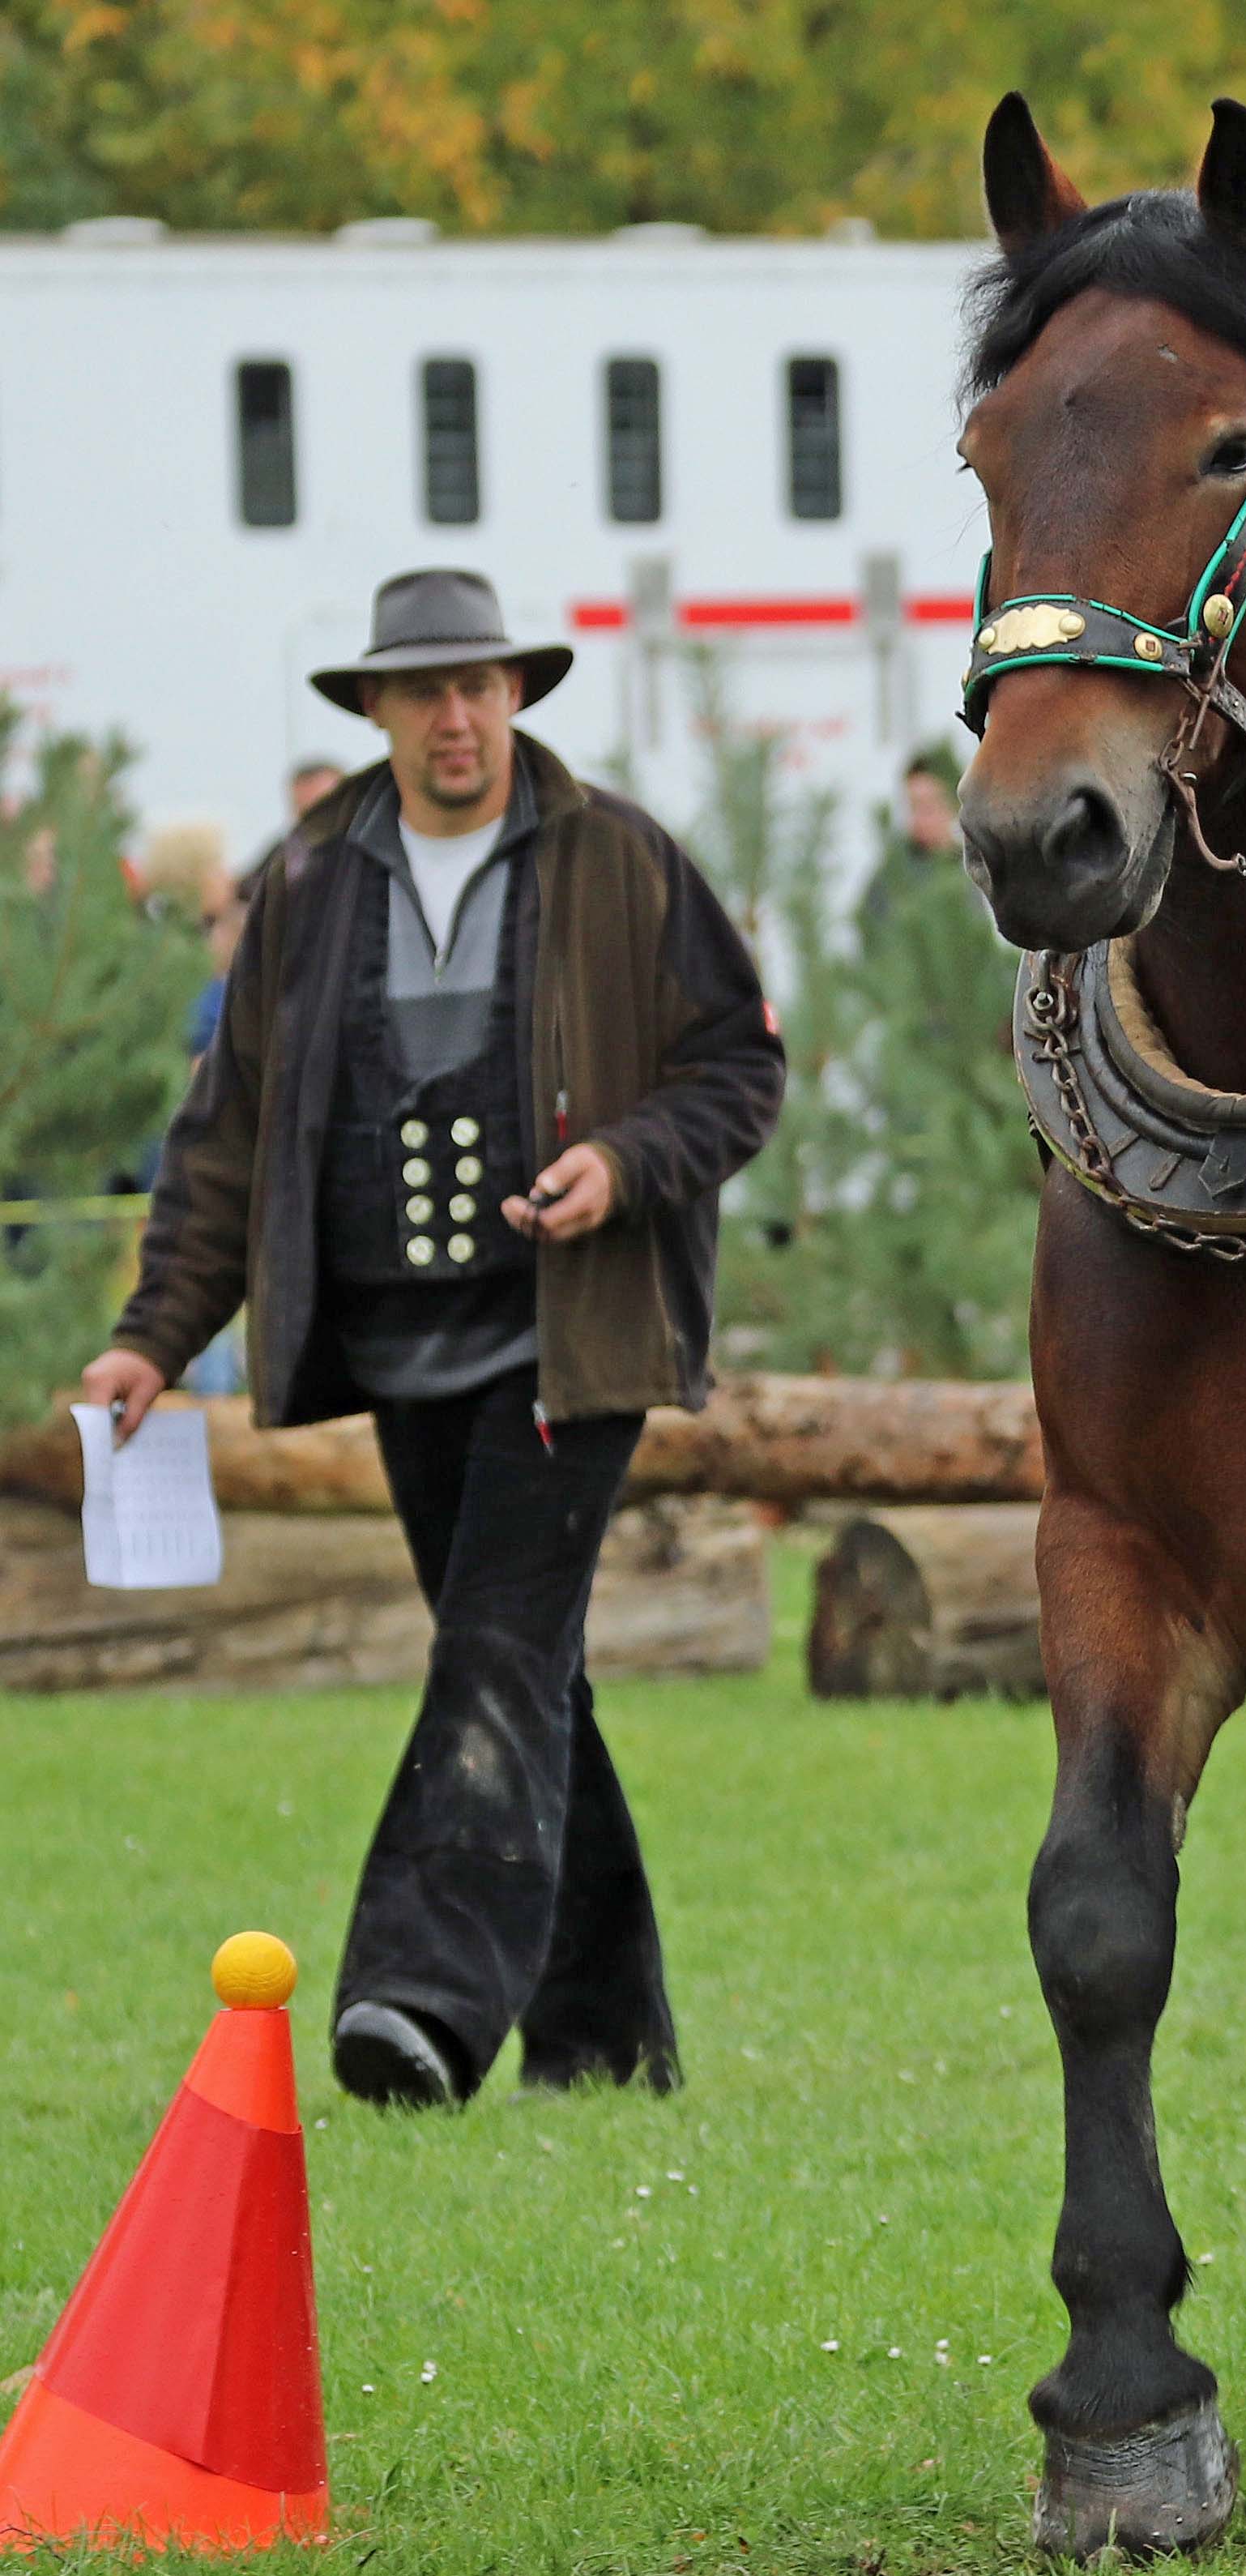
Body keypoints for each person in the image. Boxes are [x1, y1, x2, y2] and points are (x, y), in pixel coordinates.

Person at [81, 569, 784, 2110]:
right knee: (537, 1674)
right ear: (376, 710)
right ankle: (604, 2039)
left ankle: (420, 2003)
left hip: (570, 1339)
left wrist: (626, 1160)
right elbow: (227, 1132)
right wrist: (153, 1337)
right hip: (395, 1349)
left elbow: (740, 1068)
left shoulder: (622, 859)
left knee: (495, 1648)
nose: (456, 714)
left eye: (479, 684)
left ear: (516, 695)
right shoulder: (313, 882)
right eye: (423, 689)